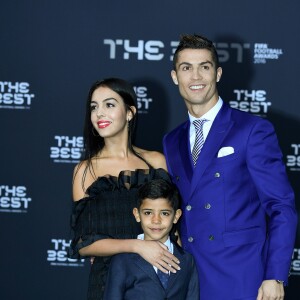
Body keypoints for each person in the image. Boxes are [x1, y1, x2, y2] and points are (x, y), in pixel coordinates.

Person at [163, 34, 298, 300]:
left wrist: (275, 275)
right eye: (186, 68)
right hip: (187, 279)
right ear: (175, 76)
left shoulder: (252, 130)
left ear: (218, 73)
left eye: (205, 66)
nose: (196, 76)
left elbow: (281, 206)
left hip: (241, 277)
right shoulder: (171, 140)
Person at [68, 78, 180, 300]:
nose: (99, 113)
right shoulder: (85, 170)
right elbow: (83, 244)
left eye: (109, 105)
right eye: (94, 107)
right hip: (109, 284)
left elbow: (174, 228)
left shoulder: (156, 162)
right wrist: (138, 246)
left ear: (130, 113)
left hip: (158, 280)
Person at [103, 178, 199, 300]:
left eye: (164, 213)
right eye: (148, 213)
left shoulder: (186, 260)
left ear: (176, 216)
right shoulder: (122, 261)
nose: (156, 220)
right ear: (137, 214)